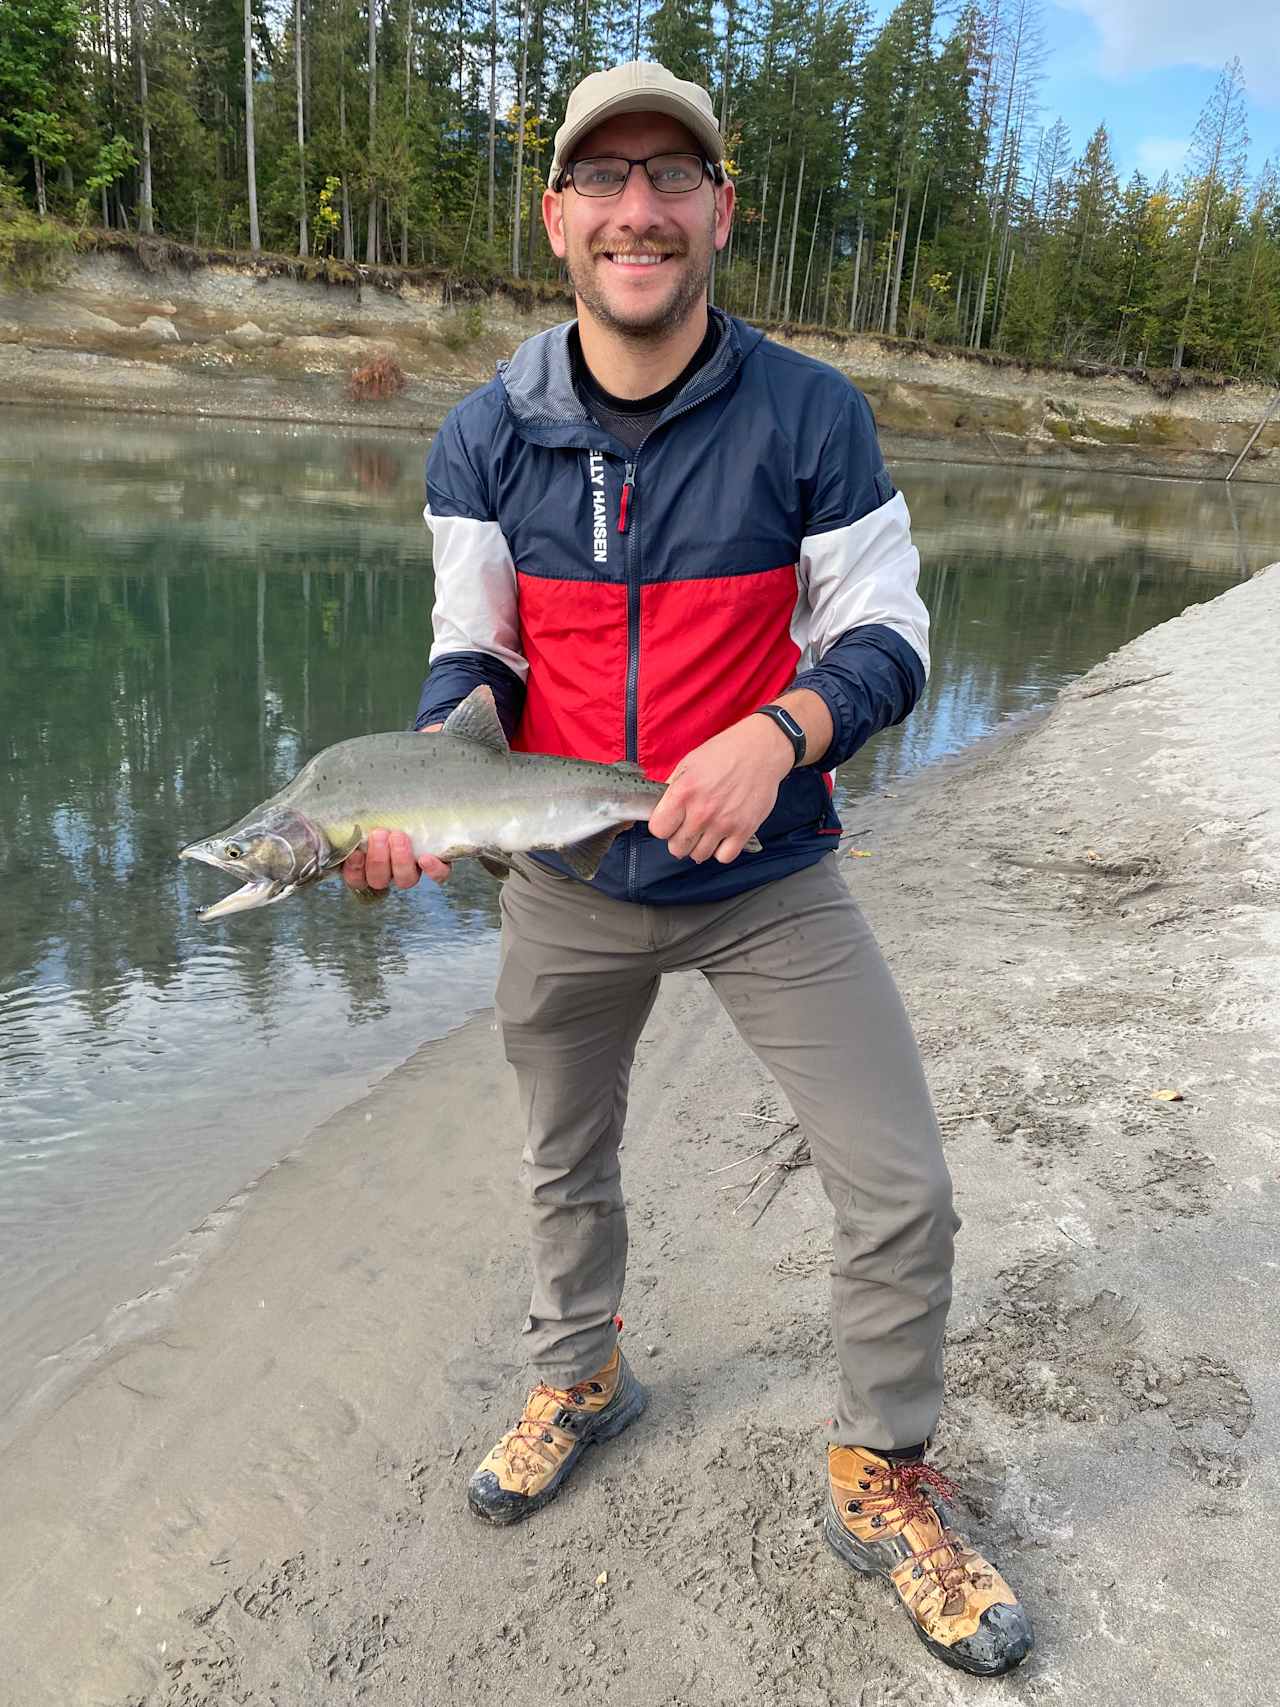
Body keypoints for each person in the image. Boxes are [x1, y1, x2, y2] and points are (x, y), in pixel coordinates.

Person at [343, 60, 1033, 1679]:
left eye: (671, 178)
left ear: (721, 211)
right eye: (604, 180)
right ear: (557, 218)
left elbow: (890, 637)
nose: (636, 210)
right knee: (560, 1165)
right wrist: (434, 789)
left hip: (770, 874)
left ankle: (879, 1469)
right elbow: (475, 663)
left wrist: (782, 733)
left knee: (901, 1189)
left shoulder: (810, 416)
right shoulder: (481, 435)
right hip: (570, 881)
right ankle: (581, 1374)